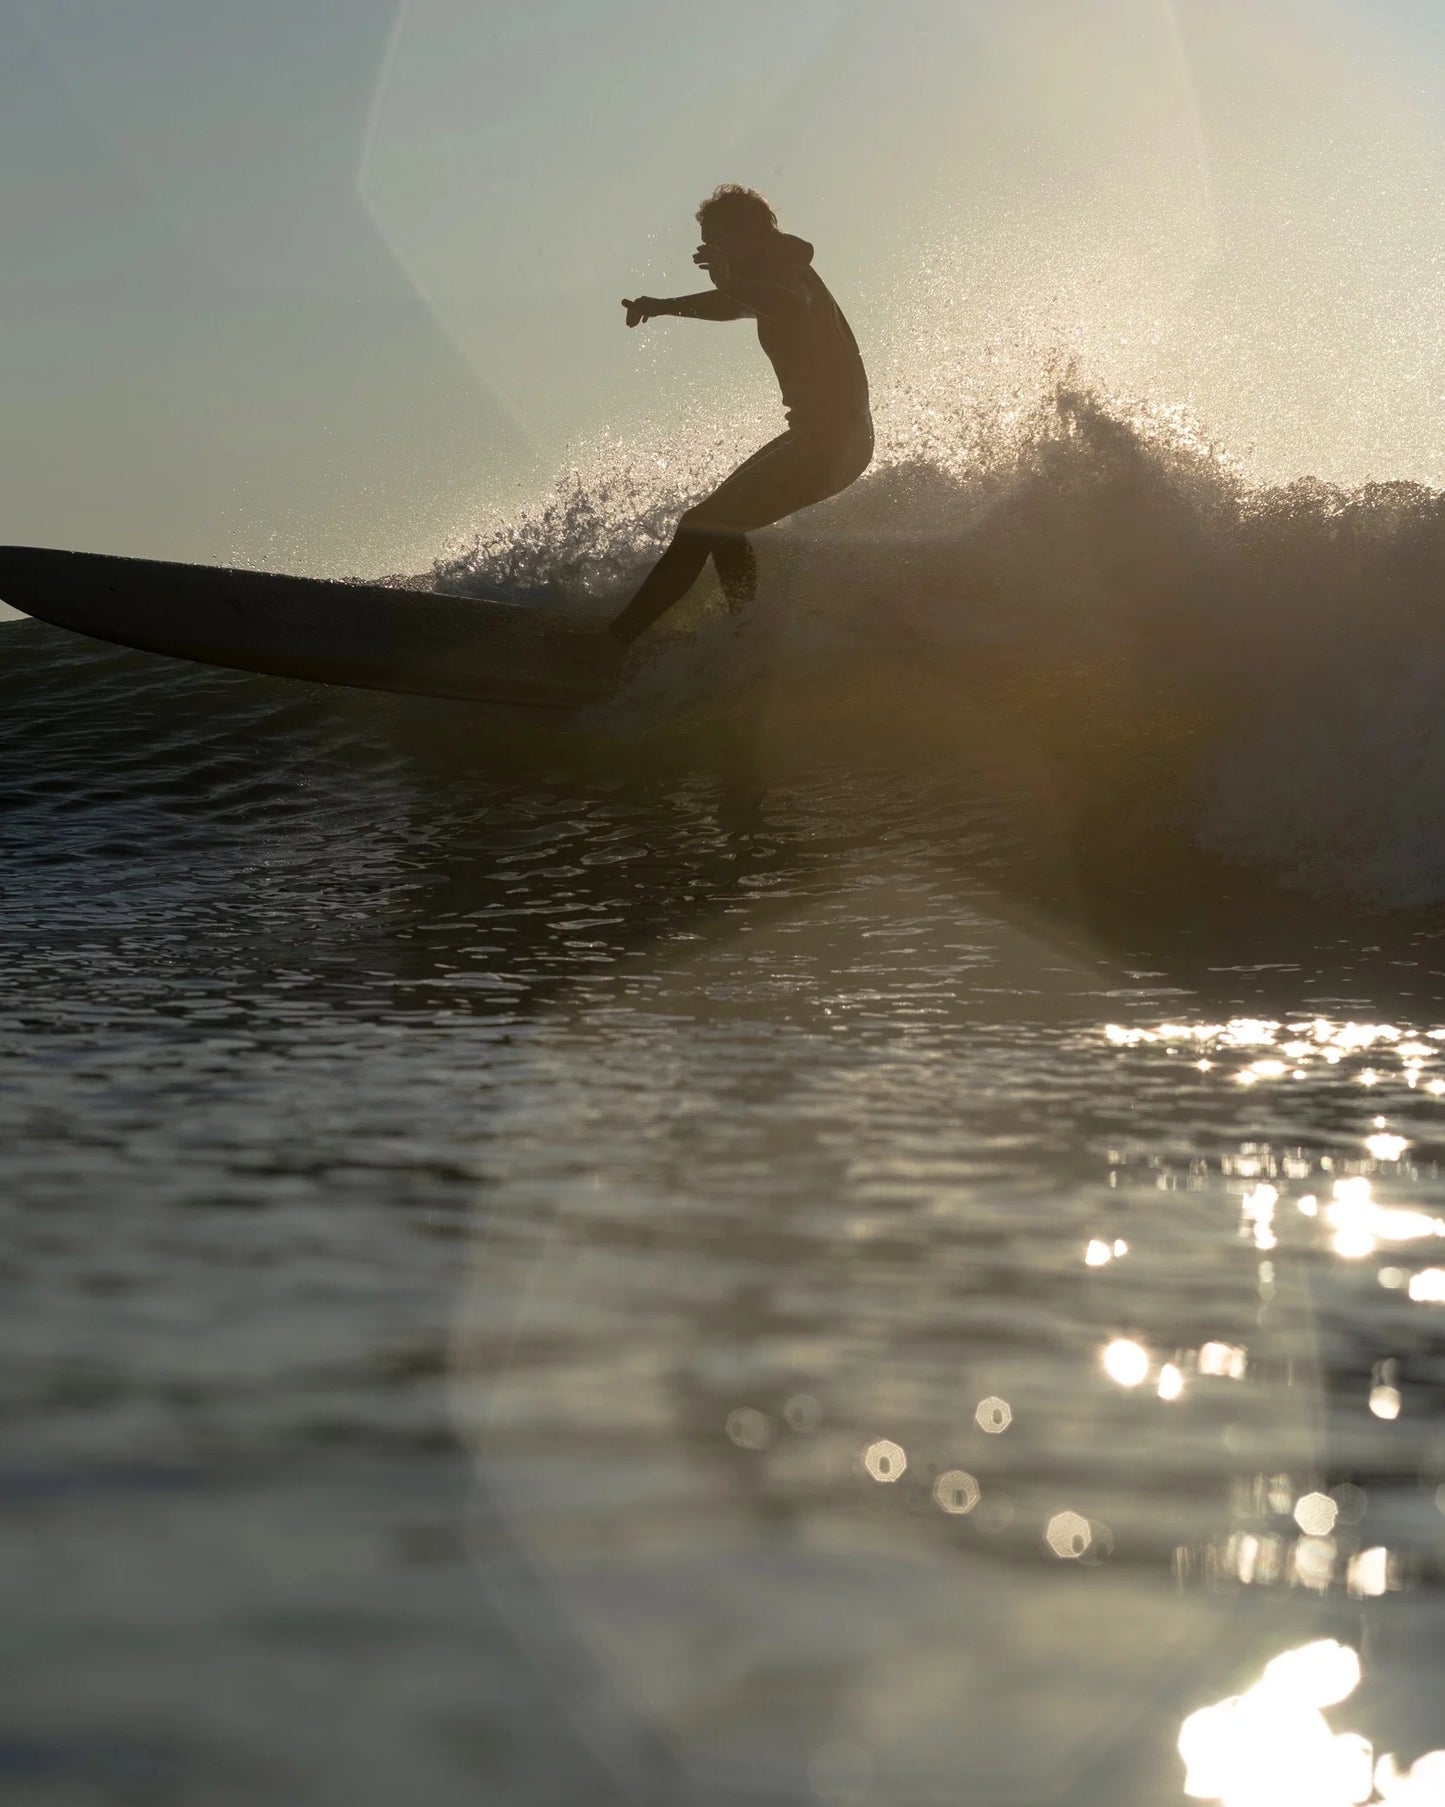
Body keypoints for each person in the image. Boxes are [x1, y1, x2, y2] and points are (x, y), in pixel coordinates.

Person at [572, 184, 872, 675]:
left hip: (833, 440)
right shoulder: (770, 272)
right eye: (707, 240)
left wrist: (729, 278)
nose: (709, 248)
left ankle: (611, 648)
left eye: (717, 238)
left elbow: (785, 304)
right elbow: (737, 305)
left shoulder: (787, 271)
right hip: (822, 436)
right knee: (718, 523)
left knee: (702, 523)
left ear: (749, 231)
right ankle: (748, 636)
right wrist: (664, 304)